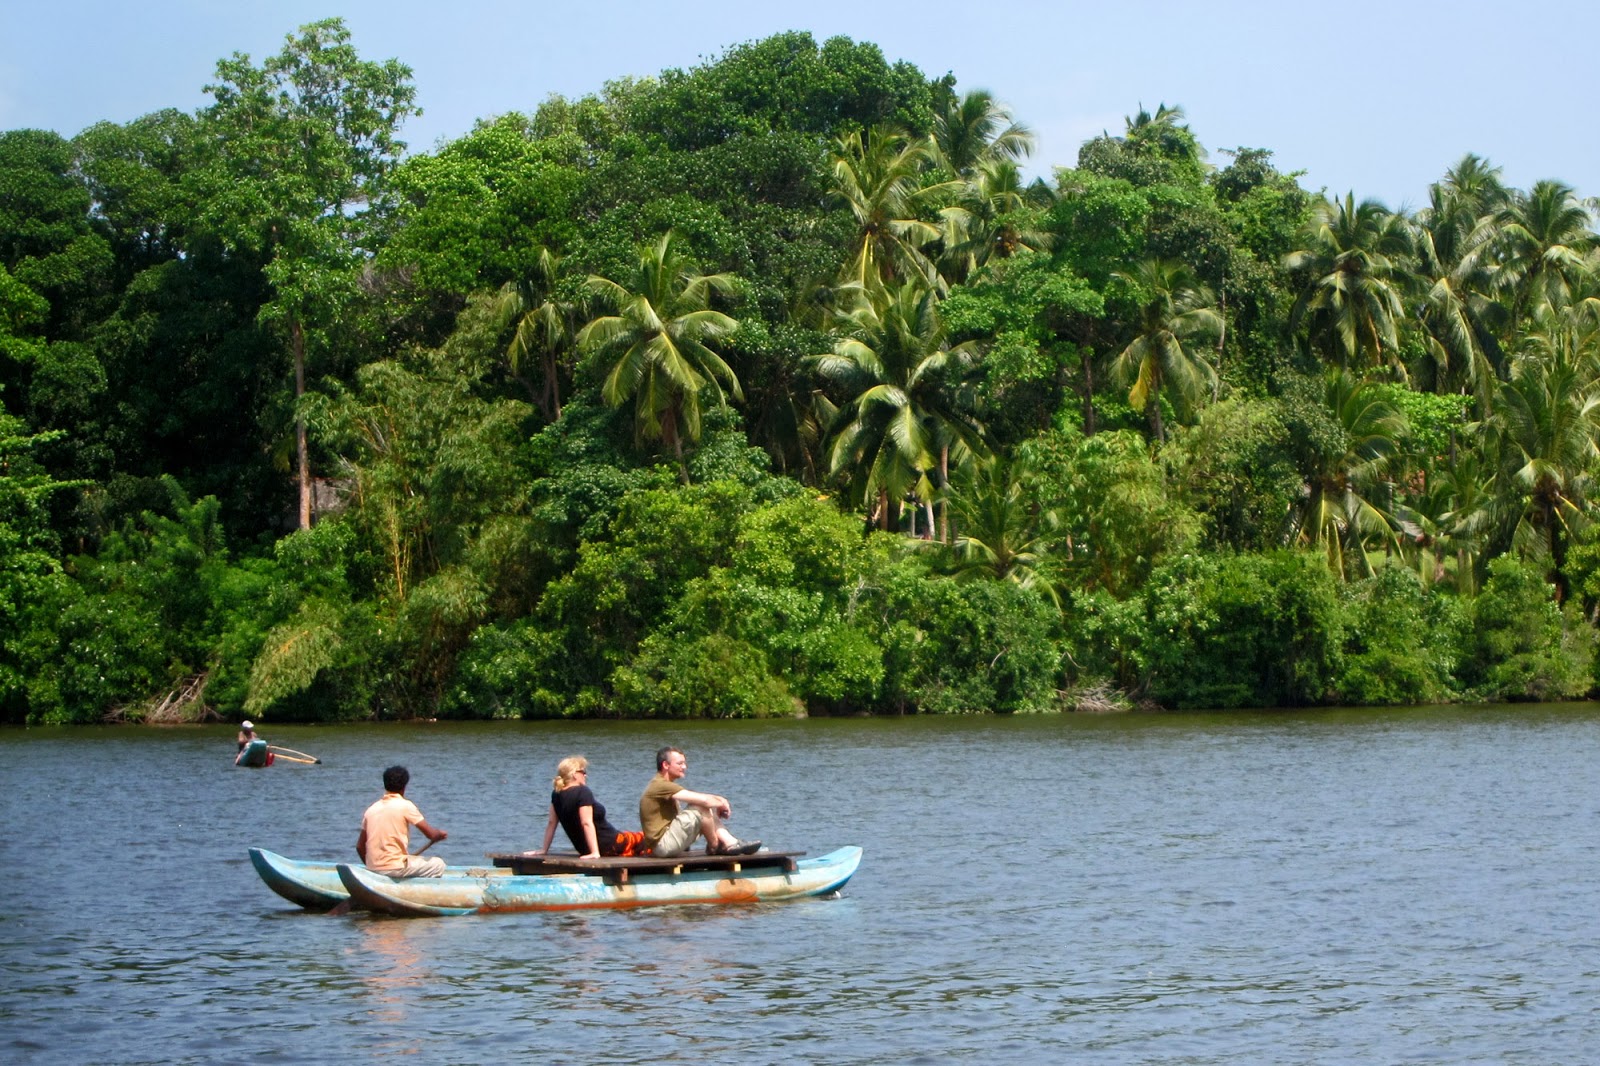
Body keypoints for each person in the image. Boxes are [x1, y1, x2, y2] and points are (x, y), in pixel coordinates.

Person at [639, 746, 760, 858]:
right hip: (661, 846)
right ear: (665, 765)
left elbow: (706, 800)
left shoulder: (665, 785)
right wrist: (722, 802)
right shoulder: (660, 785)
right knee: (701, 806)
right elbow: (703, 800)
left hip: (666, 843)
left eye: (684, 763)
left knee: (708, 807)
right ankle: (716, 845)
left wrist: (719, 800)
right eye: (680, 763)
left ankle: (730, 842)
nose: (684, 767)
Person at [532, 756, 646, 859]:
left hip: (584, 849)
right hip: (611, 844)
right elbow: (586, 823)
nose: (585, 775)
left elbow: (552, 823)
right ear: (574, 775)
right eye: (583, 772)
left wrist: (544, 850)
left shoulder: (556, 794)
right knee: (646, 838)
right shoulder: (582, 792)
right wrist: (595, 852)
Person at [355, 765, 447, 878]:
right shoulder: (406, 806)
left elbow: (360, 847)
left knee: (411, 860)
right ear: (404, 787)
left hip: (373, 868)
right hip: (395, 868)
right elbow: (431, 834)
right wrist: (439, 834)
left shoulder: (371, 809)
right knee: (438, 864)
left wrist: (373, 869)